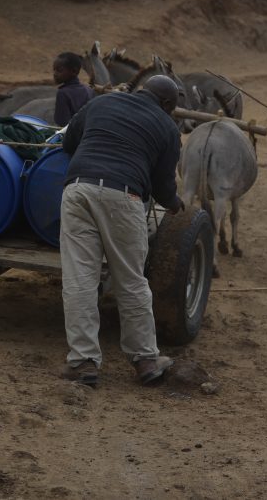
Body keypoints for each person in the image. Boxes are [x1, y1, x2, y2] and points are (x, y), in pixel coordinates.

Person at [59, 75, 184, 387]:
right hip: (125, 196)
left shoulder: (101, 101)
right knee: (130, 279)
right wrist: (174, 203)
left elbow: (68, 142)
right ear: (167, 104)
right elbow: (162, 183)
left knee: (80, 280)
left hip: (78, 191)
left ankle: (83, 362)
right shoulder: (167, 126)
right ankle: (145, 361)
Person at [52, 51, 94, 127]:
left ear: (74, 71)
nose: (55, 74)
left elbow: (62, 125)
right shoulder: (88, 89)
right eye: (54, 70)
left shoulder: (63, 93)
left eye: (59, 70)